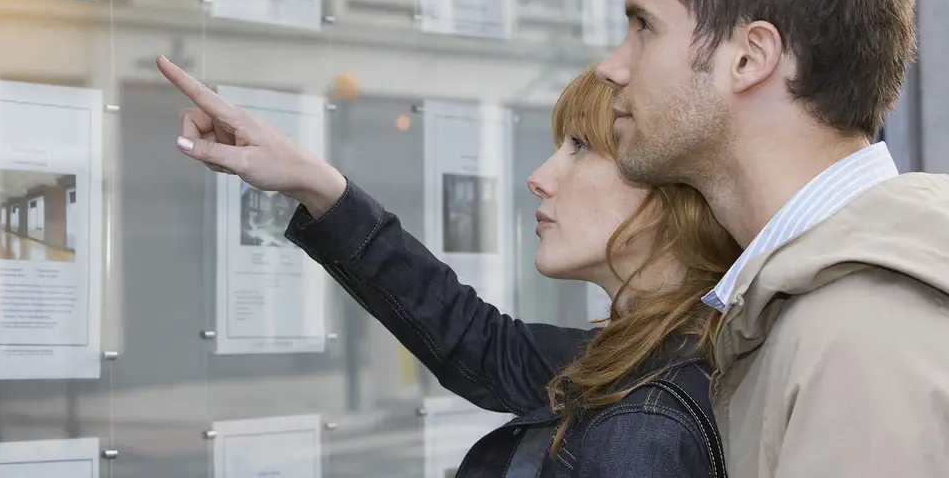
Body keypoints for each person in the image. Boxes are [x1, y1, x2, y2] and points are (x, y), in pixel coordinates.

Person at [596, 0, 949, 476]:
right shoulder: (827, 310)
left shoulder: (864, 342)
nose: (612, 67)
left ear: (750, 57)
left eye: (644, 26)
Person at [158, 57, 739, 477]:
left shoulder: (647, 420)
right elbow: (478, 343)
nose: (540, 176)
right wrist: (315, 183)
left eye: (580, 147)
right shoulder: (649, 357)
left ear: (669, 191)